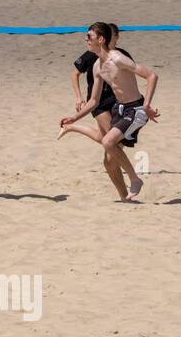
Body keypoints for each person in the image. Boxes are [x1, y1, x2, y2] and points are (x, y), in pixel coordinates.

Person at [58, 22, 160, 202]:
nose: (86, 40)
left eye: (89, 36)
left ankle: (135, 180)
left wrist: (147, 105)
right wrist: (74, 117)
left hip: (136, 108)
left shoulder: (118, 58)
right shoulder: (98, 66)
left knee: (107, 142)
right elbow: (94, 101)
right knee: (107, 145)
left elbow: (152, 76)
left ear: (101, 39)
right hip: (119, 109)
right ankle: (130, 185)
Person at [70, 23, 134, 144]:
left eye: (112, 35)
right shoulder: (92, 54)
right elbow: (74, 74)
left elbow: (130, 81)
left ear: (117, 37)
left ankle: (70, 128)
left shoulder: (122, 55)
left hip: (117, 101)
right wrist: (79, 97)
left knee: (103, 137)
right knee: (113, 140)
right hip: (97, 103)